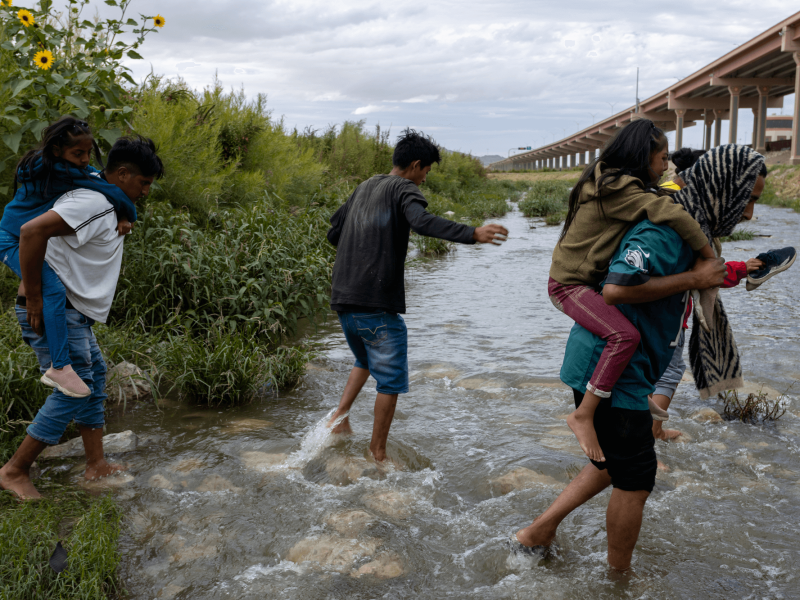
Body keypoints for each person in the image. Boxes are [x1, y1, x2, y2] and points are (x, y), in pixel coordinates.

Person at [515, 145, 765, 570]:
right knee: (637, 479)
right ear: (725, 189)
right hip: (610, 367)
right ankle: (619, 581)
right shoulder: (665, 231)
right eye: (749, 199)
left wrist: (737, 270)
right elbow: (615, 288)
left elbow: (695, 276)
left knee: (616, 463)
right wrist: (695, 277)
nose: (749, 213)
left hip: (617, 366)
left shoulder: (692, 230)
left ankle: (536, 533)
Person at [325, 129, 508, 462]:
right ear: (415, 164)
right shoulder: (403, 188)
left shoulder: (364, 186)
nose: (424, 179)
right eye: (426, 171)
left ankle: (338, 420)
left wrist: (363, 248)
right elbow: (421, 222)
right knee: (391, 381)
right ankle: (377, 454)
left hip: (343, 301)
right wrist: (473, 233)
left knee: (365, 360)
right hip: (375, 304)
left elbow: (333, 231)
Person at [0, 136, 163, 500]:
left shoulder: (104, 200)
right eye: (144, 183)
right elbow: (30, 232)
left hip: (72, 310)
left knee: (95, 375)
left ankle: (96, 462)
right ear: (122, 175)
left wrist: (124, 214)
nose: (146, 192)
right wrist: (36, 296)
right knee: (73, 389)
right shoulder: (94, 202)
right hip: (54, 310)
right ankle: (14, 470)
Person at [548, 119, 717, 464]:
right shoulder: (618, 189)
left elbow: (661, 197)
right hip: (568, 286)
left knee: (626, 334)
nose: (666, 166)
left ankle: (637, 397)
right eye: (662, 158)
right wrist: (708, 256)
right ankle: (582, 416)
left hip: (580, 280)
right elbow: (670, 213)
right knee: (624, 335)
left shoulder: (609, 180)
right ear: (643, 158)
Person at [0, 116, 135, 399]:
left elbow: (98, 180)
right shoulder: (58, 170)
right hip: (11, 239)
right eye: (79, 154)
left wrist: (122, 212)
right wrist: (128, 213)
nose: (86, 160)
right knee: (52, 289)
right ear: (57, 150)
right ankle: (59, 367)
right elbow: (107, 188)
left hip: (18, 234)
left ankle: (61, 367)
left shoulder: (63, 165)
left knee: (53, 288)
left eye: (88, 152)